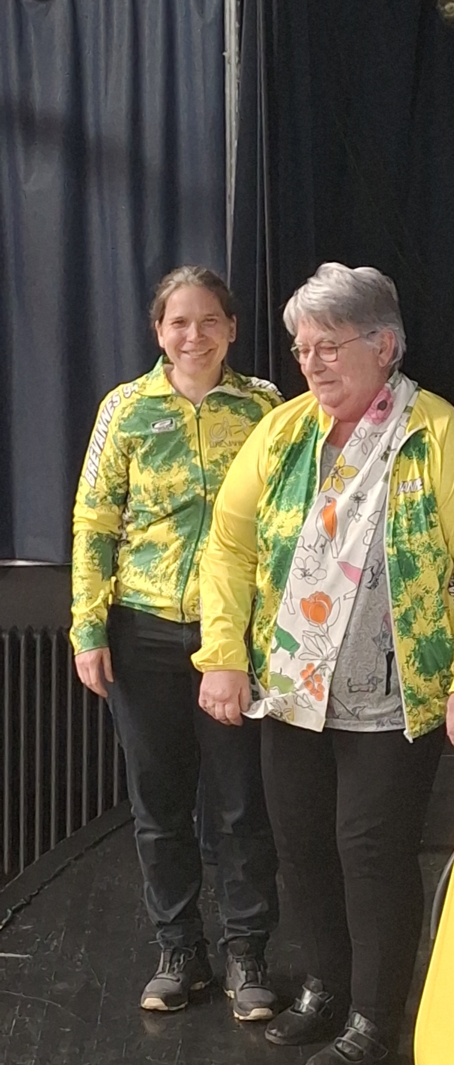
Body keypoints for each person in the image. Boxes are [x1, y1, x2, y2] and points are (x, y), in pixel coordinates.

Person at [192, 262, 454, 1065]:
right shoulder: (284, 432)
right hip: (291, 691)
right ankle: (325, 989)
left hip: (392, 696)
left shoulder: (438, 435)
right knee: (302, 848)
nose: (312, 363)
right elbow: (228, 545)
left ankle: (375, 1021)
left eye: (330, 346)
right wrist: (223, 653)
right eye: (303, 348)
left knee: (369, 853)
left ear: (385, 346)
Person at [71, 265, 283, 1019]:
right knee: (158, 804)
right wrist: (88, 627)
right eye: (179, 323)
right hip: (144, 630)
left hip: (237, 637)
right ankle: (179, 950)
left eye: (209, 321)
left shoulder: (265, 408)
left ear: (232, 328)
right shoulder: (125, 409)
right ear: (159, 332)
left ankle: (247, 953)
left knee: (240, 804)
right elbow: (95, 520)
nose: (195, 336)